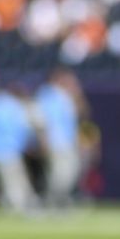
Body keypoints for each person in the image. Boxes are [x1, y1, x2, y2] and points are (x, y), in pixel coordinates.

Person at [0, 85, 36, 213]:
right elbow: (24, 128)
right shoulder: (15, 106)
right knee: (13, 181)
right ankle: (18, 207)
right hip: (9, 149)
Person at [31, 70, 84, 211]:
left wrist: (75, 94)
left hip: (66, 141)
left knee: (69, 171)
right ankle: (51, 201)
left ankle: (57, 200)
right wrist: (43, 139)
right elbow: (40, 120)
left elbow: (81, 112)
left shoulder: (66, 96)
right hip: (55, 141)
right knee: (59, 173)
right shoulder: (47, 94)